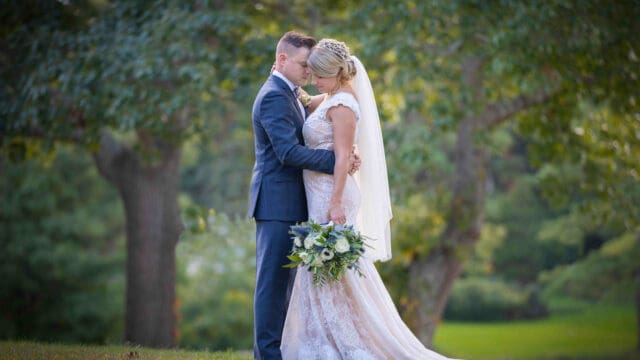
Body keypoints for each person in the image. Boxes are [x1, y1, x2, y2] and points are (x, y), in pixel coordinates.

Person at [280, 39, 454, 359]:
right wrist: (282, 76)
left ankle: (345, 342)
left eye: (320, 75)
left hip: (333, 196)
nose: (314, 80)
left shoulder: (344, 105)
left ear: (337, 74)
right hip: (319, 191)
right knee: (326, 270)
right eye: (313, 74)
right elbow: (307, 101)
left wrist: (334, 203)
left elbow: (344, 156)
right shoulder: (333, 96)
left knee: (333, 267)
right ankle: (323, 338)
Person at [247, 31, 359, 360]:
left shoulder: (294, 93)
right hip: (276, 203)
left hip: (298, 201)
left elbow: (333, 114)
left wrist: (347, 155)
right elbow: (286, 152)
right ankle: (267, 356)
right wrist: (339, 162)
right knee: (272, 285)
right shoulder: (272, 96)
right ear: (282, 60)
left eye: (312, 67)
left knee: (289, 286)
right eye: (303, 65)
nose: (309, 72)